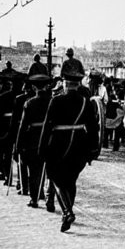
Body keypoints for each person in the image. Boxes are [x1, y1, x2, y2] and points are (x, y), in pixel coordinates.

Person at [38, 69, 99, 232]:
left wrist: (42, 148)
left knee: (55, 176)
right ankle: (68, 211)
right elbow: (93, 127)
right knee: (71, 179)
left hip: (58, 144)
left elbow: (47, 126)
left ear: (64, 84)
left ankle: (67, 212)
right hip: (80, 144)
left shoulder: (56, 100)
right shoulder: (86, 102)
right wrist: (94, 149)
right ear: (78, 84)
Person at [16, 74, 52, 209]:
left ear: (33, 87)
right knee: (46, 167)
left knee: (34, 170)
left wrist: (19, 145)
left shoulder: (29, 103)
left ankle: (34, 198)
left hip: (32, 140)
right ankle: (44, 194)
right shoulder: (52, 101)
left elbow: (23, 126)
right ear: (47, 86)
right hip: (49, 139)